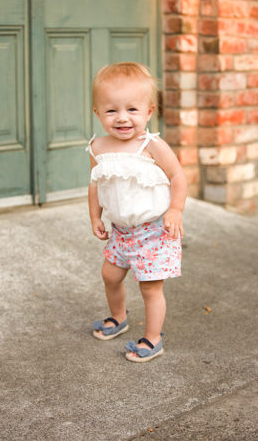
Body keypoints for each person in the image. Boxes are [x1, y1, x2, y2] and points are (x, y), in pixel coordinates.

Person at [88, 62, 186, 363]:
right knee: (110, 275)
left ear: (149, 111)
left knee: (150, 288)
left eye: (132, 109)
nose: (122, 118)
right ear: (97, 113)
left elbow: (178, 177)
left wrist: (176, 209)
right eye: (111, 110)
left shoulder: (151, 145)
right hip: (120, 231)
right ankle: (119, 317)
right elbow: (94, 185)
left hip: (154, 231)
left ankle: (153, 338)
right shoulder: (98, 147)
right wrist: (95, 216)